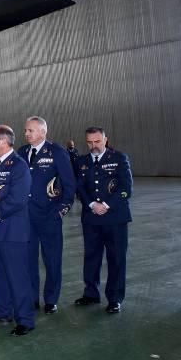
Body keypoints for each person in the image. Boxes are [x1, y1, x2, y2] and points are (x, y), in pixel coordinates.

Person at [0, 125, 34, 336]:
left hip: (12, 232)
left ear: (3, 141)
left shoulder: (18, 166)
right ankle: (2, 312)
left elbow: (17, 200)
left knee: (17, 277)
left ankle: (25, 320)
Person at [18, 116, 76, 314]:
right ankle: (32, 298)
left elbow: (69, 184)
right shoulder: (22, 152)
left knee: (52, 259)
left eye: (30, 130)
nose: (26, 134)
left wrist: (61, 209)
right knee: (29, 260)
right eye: (26, 130)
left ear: (43, 132)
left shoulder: (57, 152)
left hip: (49, 215)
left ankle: (51, 299)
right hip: (26, 217)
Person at [74, 127, 133, 314]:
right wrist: (91, 204)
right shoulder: (81, 162)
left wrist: (106, 205)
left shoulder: (119, 158)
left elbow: (126, 188)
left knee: (116, 258)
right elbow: (79, 188)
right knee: (91, 257)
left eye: (97, 142)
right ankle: (91, 293)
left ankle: (115, 298)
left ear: (105, 140)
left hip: (115, 218)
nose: (93, 146)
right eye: (90, 142)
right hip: (91, 218)